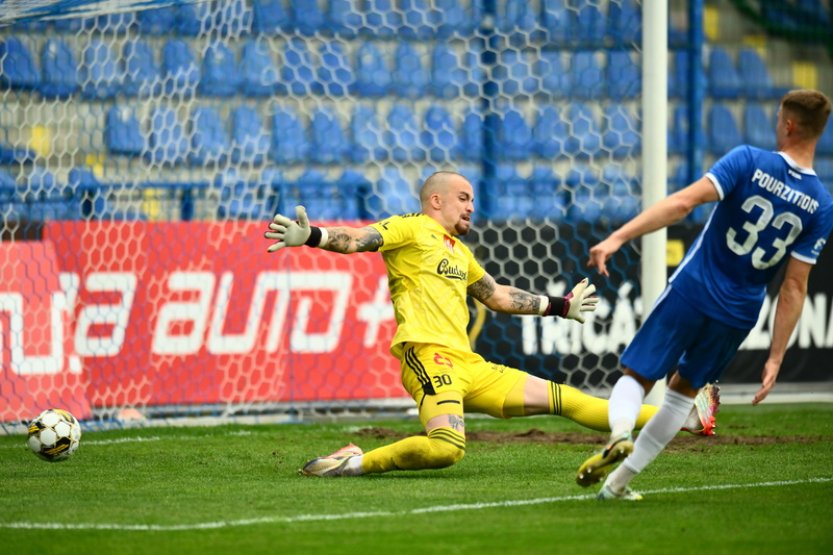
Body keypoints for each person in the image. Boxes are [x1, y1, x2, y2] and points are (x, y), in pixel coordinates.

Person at [264, 171, 717, 478]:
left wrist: (561, 306)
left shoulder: (459, 253)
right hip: (428, 355)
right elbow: (359, 239)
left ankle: (687, 417)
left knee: (570, 400)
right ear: (435, 200)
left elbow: (497, 295)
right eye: (464, 199)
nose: (470, 207)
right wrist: (315, 237)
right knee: (446, 449)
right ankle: (355, 463)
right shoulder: (409, 227)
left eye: (474, 201)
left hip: (470, 365)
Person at [576, 89, 833, 501]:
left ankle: (620, 432)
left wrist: (617, 237)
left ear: (787, 124)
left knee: (638, 376)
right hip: (738, 312)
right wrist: (776, 357)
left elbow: (681, 204)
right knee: (683, 394)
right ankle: (617, 484)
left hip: (693, 289)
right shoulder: (821, 204)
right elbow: (793, 286)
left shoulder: (749, 160)